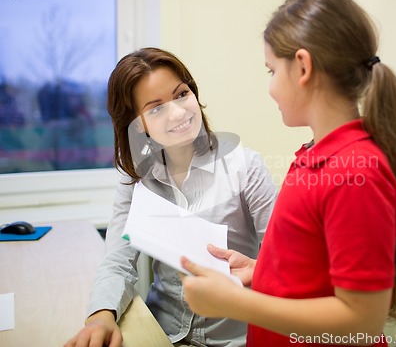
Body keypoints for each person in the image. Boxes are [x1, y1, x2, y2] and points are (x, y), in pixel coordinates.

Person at [180, 0, 396, 346]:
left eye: (271, 71)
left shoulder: (355, 172)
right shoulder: (317, 155)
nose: (269, 88)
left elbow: (361, 321)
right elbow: (313, 269)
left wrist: (238, 304)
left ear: (302, 66)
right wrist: (260, 271)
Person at [64, 47, 277, 347]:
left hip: (235, 340)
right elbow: (118, 260)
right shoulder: (136, 179)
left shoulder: (246, 167)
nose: (178, 112)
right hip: (161, 333)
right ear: (138, 126)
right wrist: (101, 316)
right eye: (156, 108)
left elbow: (286, 265)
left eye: (181, 94)